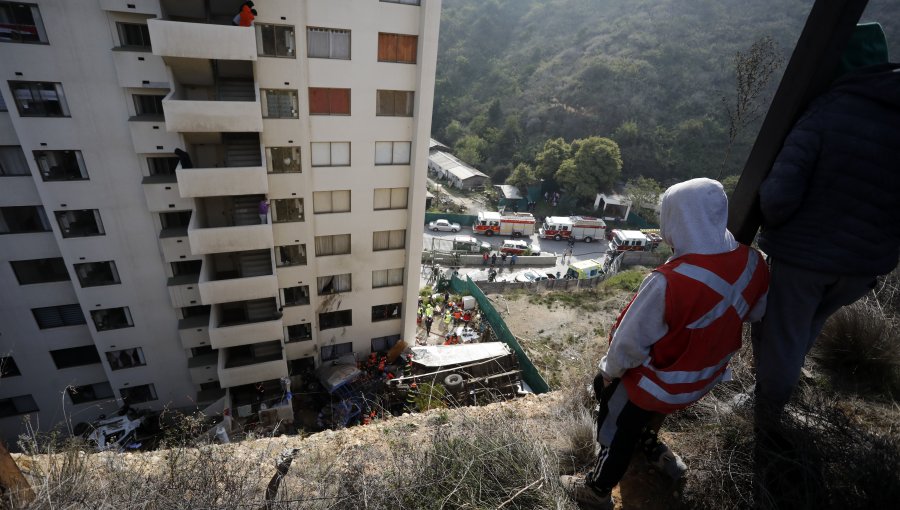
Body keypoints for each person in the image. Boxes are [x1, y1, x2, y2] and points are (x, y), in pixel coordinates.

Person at [560, 178, 769, 509]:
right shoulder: (754, 262)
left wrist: (609, 374)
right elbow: (755, 312)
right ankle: (651, 444)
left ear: (675, 220)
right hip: (701, 379)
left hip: (657, 382)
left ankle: (597, 488)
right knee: (654, 412)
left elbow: (628, 344)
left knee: (617, 429)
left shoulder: (668, 282)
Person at [755, 23, 900, 422]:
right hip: (863, 267)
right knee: (808, 326)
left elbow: (778, 196)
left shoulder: (827, 110)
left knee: (781, 335)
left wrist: (777, 227)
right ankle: (780, 392)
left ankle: (765, 420)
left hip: (805, 257)